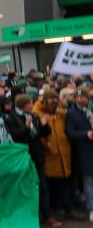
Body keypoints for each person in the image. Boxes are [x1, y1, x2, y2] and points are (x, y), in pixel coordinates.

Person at [35, 89, 74, 220]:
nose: (54, 101)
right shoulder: (38, 113)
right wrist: (48, 146)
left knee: (64, 182)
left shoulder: (59, 112)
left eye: (56, 99)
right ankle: (49, 212)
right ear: (45, 100)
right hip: (48, 154)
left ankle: (68, 209)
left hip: (62, 152)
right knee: (49, 184)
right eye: (52, 99)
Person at [65, 87, 93, 222]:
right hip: (84, 150)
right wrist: (86, 134)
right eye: (78, 97)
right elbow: (70, 132)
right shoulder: (71, 113)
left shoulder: (90, 109)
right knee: (88, 181)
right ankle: (91, 209)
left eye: (83, 97)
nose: (80, 99)